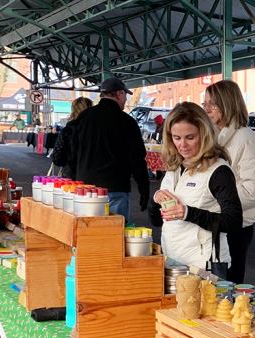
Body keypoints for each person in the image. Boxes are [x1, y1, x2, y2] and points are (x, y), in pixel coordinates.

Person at [147, 102, 242, 275]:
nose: (182, 144)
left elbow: (234, 222)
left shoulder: (218, 171)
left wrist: (188, 213)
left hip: (204, 267)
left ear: (204, 135)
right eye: (176, 138)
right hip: (172, 262)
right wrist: (156, 199)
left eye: (190, 137)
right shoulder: (175, 166)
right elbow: (156, 221)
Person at [203, 80, 255, 284]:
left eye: (212, 104)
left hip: (234, 227)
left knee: (227, 289)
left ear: (227, 103)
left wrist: (211, 200)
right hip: (214, 223)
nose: (206, 109)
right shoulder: (215, 136)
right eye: (204, 103)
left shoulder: (245, 138)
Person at [68, 77, 150, 221]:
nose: (125, 100)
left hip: (85, 189)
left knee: (87, 233)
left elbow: (72, 153)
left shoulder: (84, 117)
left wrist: (76, 178)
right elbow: (137, 158)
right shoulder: (127, 122)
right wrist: (144, 189)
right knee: (114, 236)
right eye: (125, 95)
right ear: (119, 94)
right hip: (115, 188)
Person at [50, 97, 93, 179]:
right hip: (95, 174)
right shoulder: (97, 129)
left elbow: (57, 158)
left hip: (71, 175)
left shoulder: (69, 129)